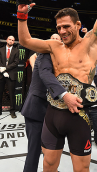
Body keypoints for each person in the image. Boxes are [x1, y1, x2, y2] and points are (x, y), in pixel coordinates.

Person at [16, 0, 97, 171]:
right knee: (49, 164)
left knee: (81, 168)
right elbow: (25, 41)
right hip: (52, 114)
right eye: (59, 27)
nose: (62, 31)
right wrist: (22, 16)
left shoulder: (91, 42)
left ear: (78, 25)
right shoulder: (53, 46)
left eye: (66, 26)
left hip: (78, 115)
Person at [21, 34, 67, 172]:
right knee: (34, 150)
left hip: (52, 110)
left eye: (58, 39)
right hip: (36, 109)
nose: (55, 41)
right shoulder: (44, 54)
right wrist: (65, 95)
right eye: (52, 38)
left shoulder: (62, 58)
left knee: (52, 149)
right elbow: (45, 74)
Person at [0, 35, 19, 119]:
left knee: (12, 94)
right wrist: (3, 71)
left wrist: (6, 68)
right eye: (10, 39)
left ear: (14, 42)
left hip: (11, 74)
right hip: (0, 74)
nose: (11, 41)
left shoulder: (16, 51)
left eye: (13, 40)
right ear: (7, 40)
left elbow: (16, 62)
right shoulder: (0, 50)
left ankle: (12, 111)